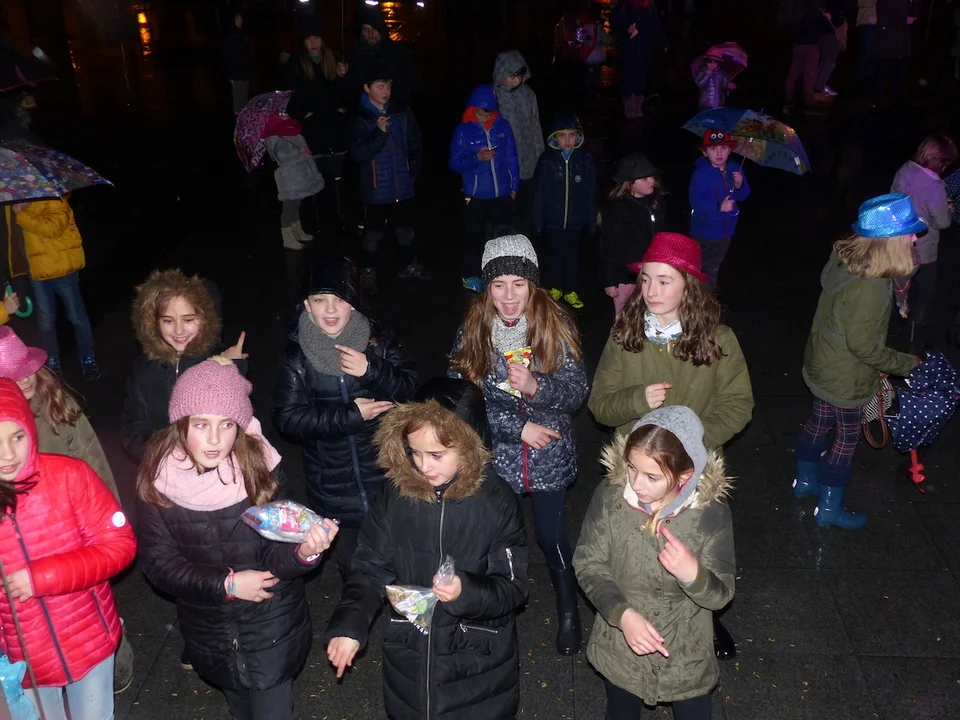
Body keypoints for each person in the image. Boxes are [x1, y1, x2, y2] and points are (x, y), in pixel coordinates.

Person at [137, 357, 338, 720]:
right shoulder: (159, 481)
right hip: (209, 628)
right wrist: (225, 585)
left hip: (271, 625)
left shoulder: (262, 471)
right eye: (201, 424)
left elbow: (278, 555)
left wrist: (304, 552)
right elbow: (159, 564)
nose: (215, 439)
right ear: (180, 424)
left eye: (227, 424)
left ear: (241, 426)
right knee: (240, 708)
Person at [587, 232, 750, 659]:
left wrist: (692, 446)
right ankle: (630, 614)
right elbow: (600, 405)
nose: (651, 291)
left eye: (664, 281)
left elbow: (738, 405)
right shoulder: (625, 336)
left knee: (692, 551)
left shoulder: (719, 339)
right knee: (636, 551)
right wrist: (637, 399)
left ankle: (705, 618)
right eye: (645, 280)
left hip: (690, 474)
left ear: (688, 287)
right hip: (638, 472)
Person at [325, 377, 528, 718]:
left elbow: (513, 588)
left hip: (477, 664)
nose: (424, 465)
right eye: (415, 452)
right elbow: (369, 567)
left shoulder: (497, 502)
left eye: (437, 455)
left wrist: (465, 591)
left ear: (469, 446)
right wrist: (350, 625)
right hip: (410, 656)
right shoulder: (395, 496)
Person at [449, 234, 589, 655]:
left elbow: (576, 391)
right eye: (499, 285)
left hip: (548, 455)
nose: (509, 297)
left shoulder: (556, 326)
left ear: (533, 285)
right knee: (495, 537)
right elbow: (461, 401)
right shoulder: (473, 330)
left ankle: (568, 609)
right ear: (486, 287)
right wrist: (516, 427)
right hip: (497, 456)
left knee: (552, 536)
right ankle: (491, 609)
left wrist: (536, 387)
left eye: (519, 284)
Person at [574, 405, 734, 720]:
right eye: (632, 468)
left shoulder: (710, 515)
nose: (636, 484)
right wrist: (622, 615)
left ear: (685, 475)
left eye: (652, 477)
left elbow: (721, 595)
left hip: (686, 654)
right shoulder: (611, 498)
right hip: (622, 647)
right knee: (621, 711)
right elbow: (588, 563)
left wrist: (694, 575)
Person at [272, 255, 419, 578]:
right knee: (354, 567)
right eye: (319, 300)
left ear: (353, 302)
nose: (330, 309)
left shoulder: (376, 341)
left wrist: (371, 370)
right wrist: (351, 415)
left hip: (384, 474)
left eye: (339, 299)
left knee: (398, 559)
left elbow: (411, 387)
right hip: (332, 484)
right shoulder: (297, 356)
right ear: (306, 305)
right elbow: (288, 418)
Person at [0, 377, 136, 720]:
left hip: (88, 641)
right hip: (21, 659)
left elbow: (119, 544)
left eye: (17, 437)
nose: (8, 454)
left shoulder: (70, 475)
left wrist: (43, 577)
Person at [794, 194, 924, 529]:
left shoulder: (845, 259)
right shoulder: (872, 287)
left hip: (823, 361)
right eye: (909, 232)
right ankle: (829, 509)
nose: (915, 237)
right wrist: (908, 363)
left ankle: (804, 482)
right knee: (847, 439)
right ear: (890, 241)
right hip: (845, 376)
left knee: (818, 423)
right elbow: (865, 347)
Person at [121, 268, 247, 466]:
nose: (178, 330)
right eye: (168, 320)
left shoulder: (216, 363)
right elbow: (133, 428)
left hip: (211, 468)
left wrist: (233, 368)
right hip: (163, 468)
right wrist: (168, 458)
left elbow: (237, 423)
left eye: (188, 319)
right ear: (153, 323)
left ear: (205, 320)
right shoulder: (143, 369)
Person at [349, 65, 427, 291]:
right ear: (367, 88)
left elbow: (415, 144)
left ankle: (407, 265)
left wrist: (411, 174)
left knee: (406, 231)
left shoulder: (401, 111)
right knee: (372, 234)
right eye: (380, 86)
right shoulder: (360, 117)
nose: (385, 91)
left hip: (402, 187)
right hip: (375, 190)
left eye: (388, 86)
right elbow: (357, 154)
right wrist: (379, 134)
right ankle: (367, 271)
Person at [13, 196, 100, 380]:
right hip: (37, 272)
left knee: (77, 317)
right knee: (45, 321)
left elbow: (52, 228)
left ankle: (87, 358)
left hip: (62, 269)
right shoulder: (20, 203)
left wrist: (20, 215)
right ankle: (51, 361)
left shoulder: (56, 199)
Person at [449, 85, 520, 293]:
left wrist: (514, 186)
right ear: (472, 109)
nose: (483, 118)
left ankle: (501, 272)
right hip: (476, 195)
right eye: (480, 113)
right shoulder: (463, 130)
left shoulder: (503, 126)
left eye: (488, 114)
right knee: (474, 237)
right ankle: (470, 276)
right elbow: (454, 163)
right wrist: (477, 157)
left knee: (503, 236)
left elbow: (512, 157)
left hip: (501, 193)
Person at [285, 14, 350, 233]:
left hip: (334, 130)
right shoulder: (296, 65)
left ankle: (339, 219)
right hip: (313, 132)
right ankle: (316, 222)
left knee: (336, 177)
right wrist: (303, 113)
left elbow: (345, 95)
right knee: (314, 178)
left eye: (317, 37)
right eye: (308, 38)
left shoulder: (334, 60)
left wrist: (343, 78)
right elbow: (290, 98)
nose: (313, 43)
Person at [890, 134, 956, 337]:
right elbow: (942, 222)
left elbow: (892, 198)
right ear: (938, 160)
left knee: (899, 279)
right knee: (927, 283)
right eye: (945, 162)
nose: (946, 167)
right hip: (923, 245)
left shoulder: (905, 169)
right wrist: (948, 209)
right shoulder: (935, 185)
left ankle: (895, 317)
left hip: (898, 239)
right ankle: (917, 323)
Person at [531, 112, 597, 309]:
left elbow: (591, 192)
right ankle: (555, 287)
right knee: (553, 255)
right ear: (554, 137)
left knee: (572, 256)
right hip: (553, 220)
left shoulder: (585, 160)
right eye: (562, 135)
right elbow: (538, 192)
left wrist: (591, 221)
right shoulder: (547, 160)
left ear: (578, 136)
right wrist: (537, 221)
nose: (567, 140)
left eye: (572, 134)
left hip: (575, 221)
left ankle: (570, 290)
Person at [599, 153, 666, 319]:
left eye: (651, 176)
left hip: (649, 273)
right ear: (629, 184)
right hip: (626, 277)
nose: (651, 181)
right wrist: (609, 281)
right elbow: (609, 246)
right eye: (644, 178)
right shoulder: (619, 210)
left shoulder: (654, 203)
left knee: (647, 316)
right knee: (624, 318)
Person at [688, 129, 751, 291]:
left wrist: (740, 185)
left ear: (730, 150)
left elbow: (743, 195)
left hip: (725, 232)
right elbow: (695, 202)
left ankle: (706, 297)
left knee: (714, 267)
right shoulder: (701, 174)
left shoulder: (735, 170)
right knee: (700, 267)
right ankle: (700, 297)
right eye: (713, 149)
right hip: (703, 232)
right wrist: (718, 206)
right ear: (705, 152)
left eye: (723, 148)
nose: (719, 153)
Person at [493, 50, 544, 234]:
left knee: (526, 210)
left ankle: (525, 243)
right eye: (512, 76)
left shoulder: (528, 95)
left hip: (528, 163)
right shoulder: (493, 97)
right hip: (504, 166)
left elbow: (535, 127)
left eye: (519, 76)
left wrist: (540, 159)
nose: (516, 81)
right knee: (504, 214)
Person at [263, 112, 325, 250]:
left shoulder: (290, 131)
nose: (286, 115)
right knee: (289, 207)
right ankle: (288, 238)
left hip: (299, 175)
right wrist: (299, 150)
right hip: (289, 177)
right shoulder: (276, 137)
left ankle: (298, 232)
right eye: (282, 114)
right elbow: (282, 155)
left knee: (296, 204)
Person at [347, 5, 421, 109]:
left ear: (381, 29)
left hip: (395, 111)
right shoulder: (354, 56)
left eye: (374, 29)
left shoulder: (399, 53)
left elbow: (414, 82)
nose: (370, 34)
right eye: (366, 30)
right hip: (364, 113)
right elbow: (349, 91)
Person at [612, 0, 667, 118]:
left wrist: (662, 42)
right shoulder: (623, 4)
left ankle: (637, 106)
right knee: (628, 76)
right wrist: (626, 29)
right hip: (628, 48)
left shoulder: (649, 5)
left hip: (643, 48)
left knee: (640, 76)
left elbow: (655, 25)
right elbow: (615, 22)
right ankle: (629, 106)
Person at [783, 2, 830, 113]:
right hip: (810, 42)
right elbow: (813, 23)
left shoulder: (797, 5)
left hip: (798, 42)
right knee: (810, 73)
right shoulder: (812, 5)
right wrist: (825, 19)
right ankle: (809, 102)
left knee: (794, 71)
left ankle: (788, 99)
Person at [871, 0, 918, 105]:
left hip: (898, 40)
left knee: (895, 70)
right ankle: (881, 98)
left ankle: (894, 97)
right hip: (888, 39)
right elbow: (884, 15)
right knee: (884, 69)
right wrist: (904, 19)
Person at [219, 1, 250, 114]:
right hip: (237, 77)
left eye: (240, 17)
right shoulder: (230, 38)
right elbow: (228, 59)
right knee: (239, 107)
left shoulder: (240, 35)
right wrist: (232, 76)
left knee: (244, 104)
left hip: (244, 76)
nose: (240, 20)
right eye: (237, 18)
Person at [815, 0, 847, 99]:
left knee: (825, 61)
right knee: (830, 62)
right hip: (830, 32)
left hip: (822, 33)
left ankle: (817, 85)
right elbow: (836, 17)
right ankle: (819, 87)